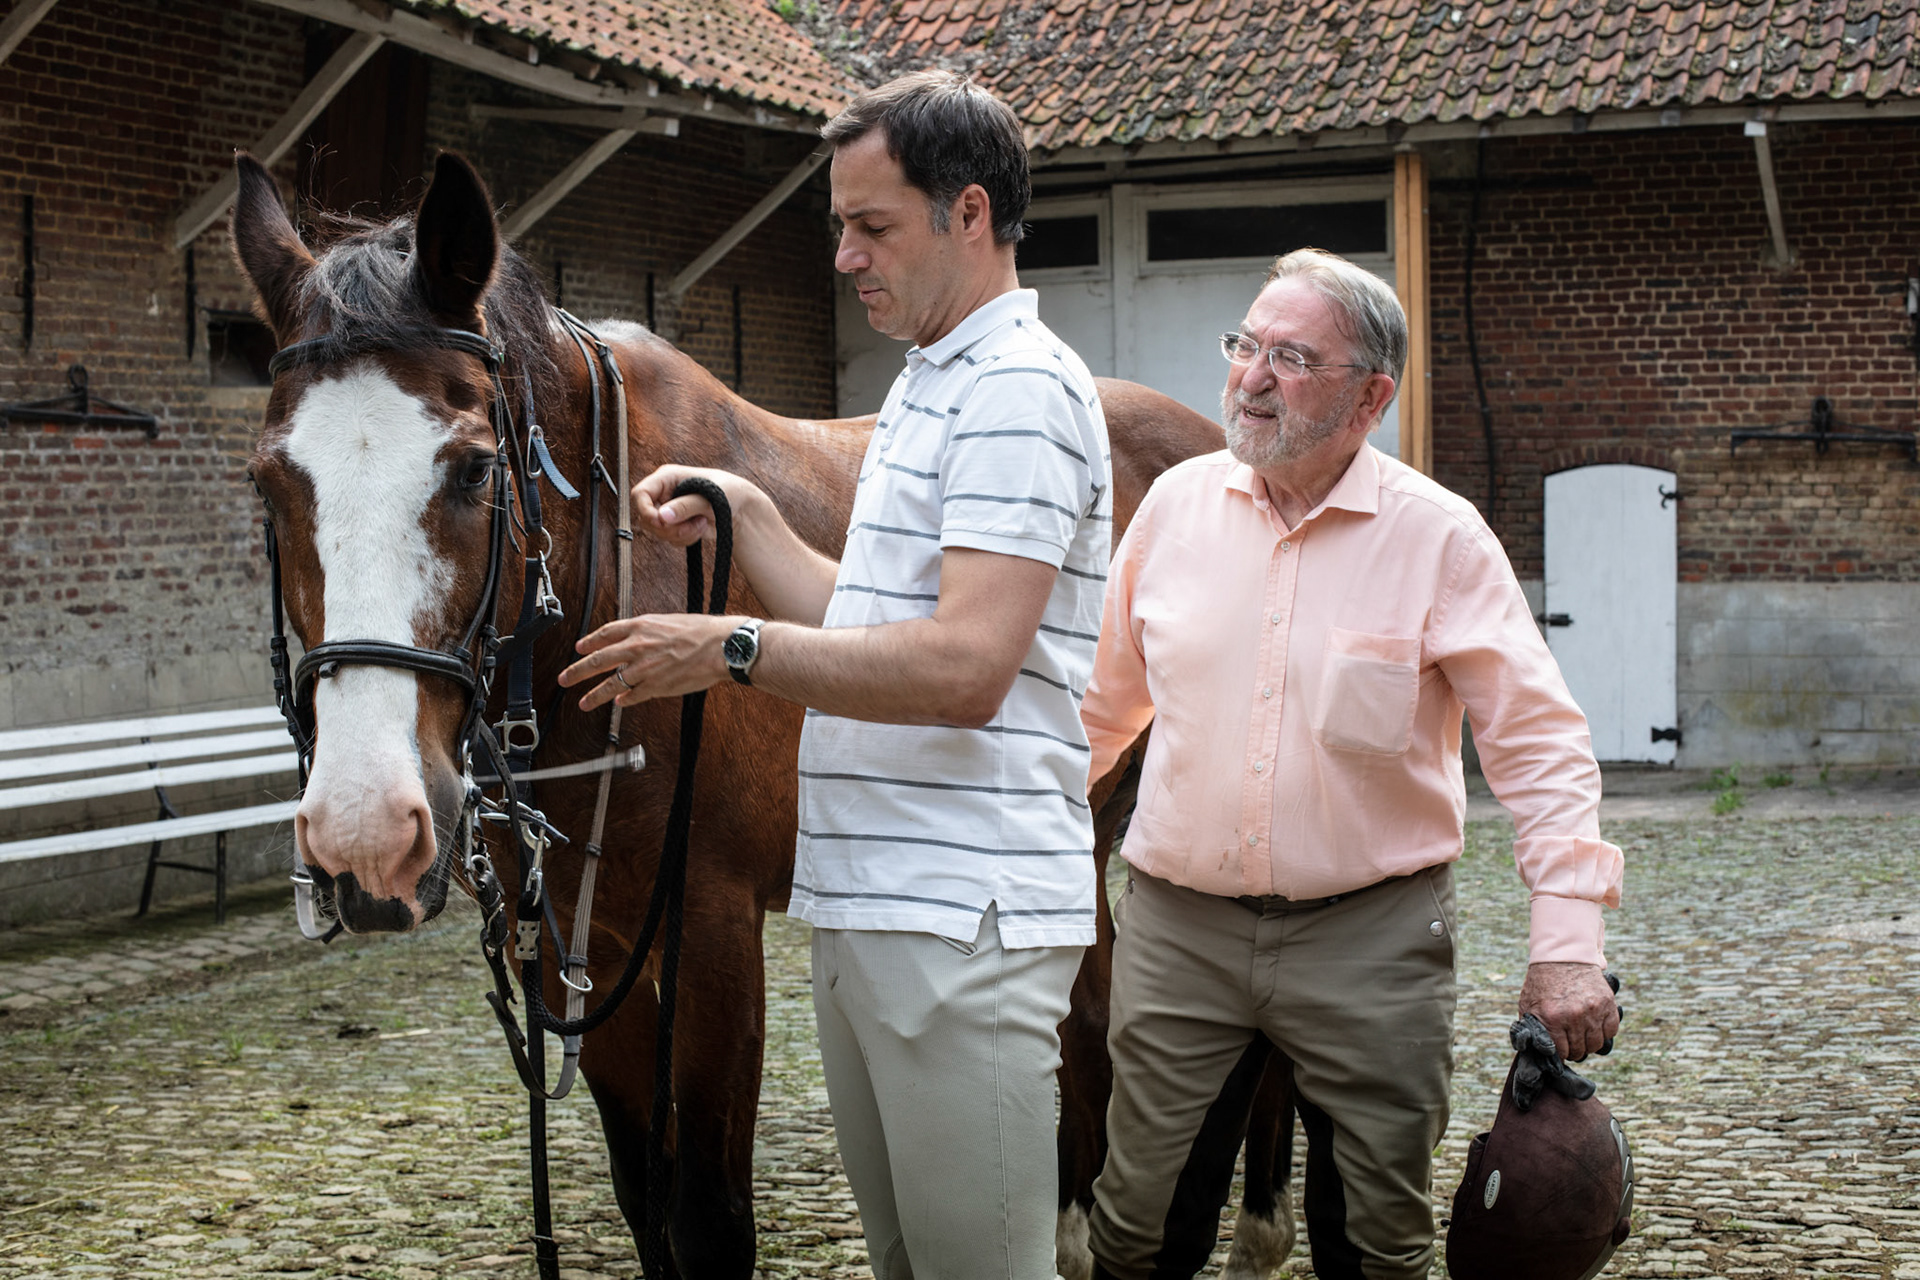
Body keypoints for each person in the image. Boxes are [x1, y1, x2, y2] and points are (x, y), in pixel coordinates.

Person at [559, 70, 1111, 1280]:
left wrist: (725, 648)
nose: (847, 257)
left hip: (963, 918)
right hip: (873, 905)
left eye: (874, 226)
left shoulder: (1016, 391)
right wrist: (751, 519)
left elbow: (965, 665)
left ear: (970, 214)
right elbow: (869, 618)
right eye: (838, 226)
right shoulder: (929, 377)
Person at [1077, 248, 1624, 1280]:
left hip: (1371, 938)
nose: (1250, 375)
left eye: (1291, 355)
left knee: (1377, 1242)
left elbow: (1541, 745)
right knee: (1136, 1227)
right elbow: (1103, 709)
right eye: (1246, 344)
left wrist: (1567, 941)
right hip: (1178, 930)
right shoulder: (1174, 511)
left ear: (1371, 395)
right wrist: (1013, 839)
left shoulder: (1440, 538)